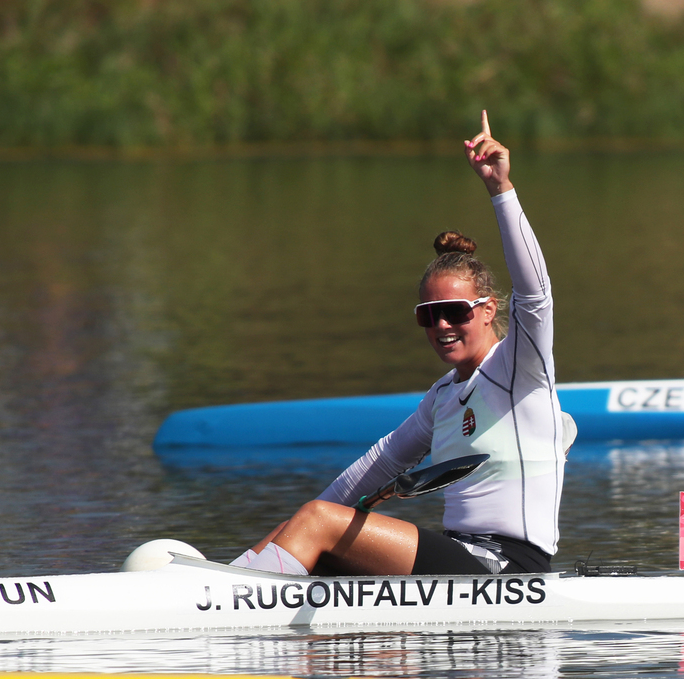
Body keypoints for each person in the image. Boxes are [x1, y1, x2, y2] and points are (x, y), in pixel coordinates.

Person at [231, 111, 567, 576]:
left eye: (456, 311)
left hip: (507, 568)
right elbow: (372, 469)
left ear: (488, 310)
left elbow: (537, 295)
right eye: (430, 315)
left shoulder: (520, 368)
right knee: (309, 524)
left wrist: (500, 191)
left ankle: (231, 600)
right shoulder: (442, 398)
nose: (442, 325)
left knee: (315, 522)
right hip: (462, 560)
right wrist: (289, 532)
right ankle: (230, 582)